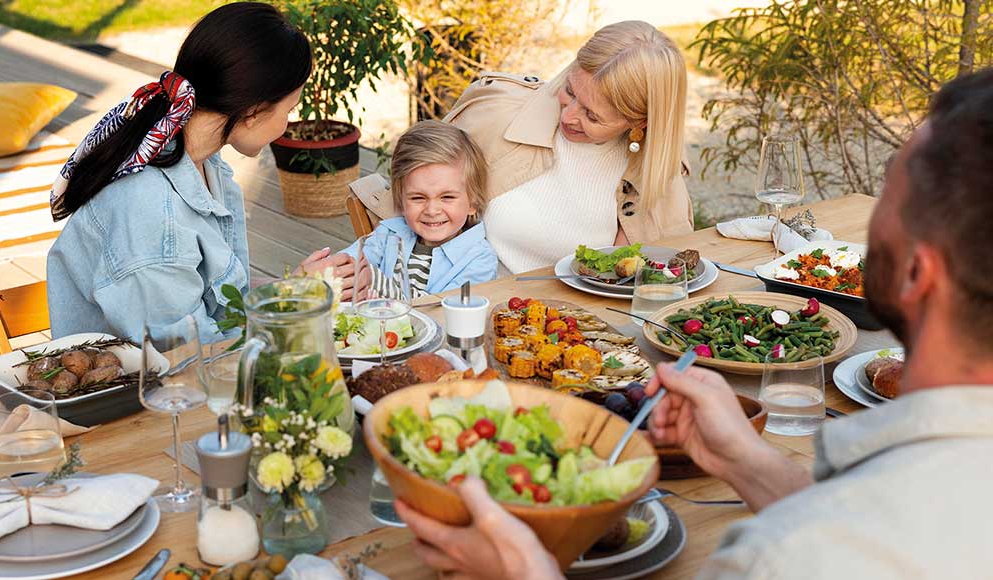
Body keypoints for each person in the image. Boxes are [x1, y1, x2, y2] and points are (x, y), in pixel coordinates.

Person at [395, 68, 993, 579]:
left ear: (918, 272)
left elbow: (832, 543)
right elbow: (862, 523)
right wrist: (745, 461)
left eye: (886, 189)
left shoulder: (781, 557)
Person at [46, 3, 354, 346]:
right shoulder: (151, 211)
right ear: (253, 111)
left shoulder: (203, 164)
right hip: (141, 393)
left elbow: (216, 308)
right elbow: (186, 356)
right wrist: (292, 305)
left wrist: (294, 289)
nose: (286, 125)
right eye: (289, 110)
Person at [351, 21, 692, 274]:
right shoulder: (497, 114)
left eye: (592, 115)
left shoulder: (659, 172)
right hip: (470, 301)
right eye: (570, 91)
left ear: (640, 123)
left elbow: (660, 278)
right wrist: (360, 264)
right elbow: (416, 194)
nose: (569, 116)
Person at [340, 121, 498, 298]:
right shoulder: (388, 233)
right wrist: (336, 269)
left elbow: (441, 310)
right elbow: (348, 262)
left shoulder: (480, 260)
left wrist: (372, 281)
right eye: (418, 198)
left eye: (447, 197)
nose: (431, 210)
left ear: (473, 204)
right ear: (401, 200)